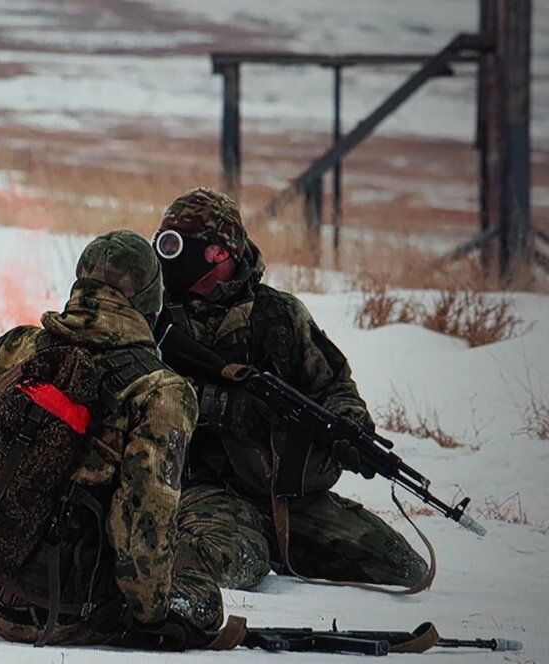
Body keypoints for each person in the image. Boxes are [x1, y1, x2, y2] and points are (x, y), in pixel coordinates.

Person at [0, 230, 224, 647]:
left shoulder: (21, 347)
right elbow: (142, 518)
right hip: (64, 612)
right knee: (202, 595)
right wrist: (151, 618)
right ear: (149, 300)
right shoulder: (160, 390)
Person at [151, 187, 429, 592]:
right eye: (165, 242)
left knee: (402, 567)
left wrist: (349, 427)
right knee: (238, 562)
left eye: (179, 244)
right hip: (200, 488)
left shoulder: (278, 314)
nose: (168, 255)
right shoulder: (153, 315)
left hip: (284, 496)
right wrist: (222, 407)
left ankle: (269, 540)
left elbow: (334, 384)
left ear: (221, 251)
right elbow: (140, 390)